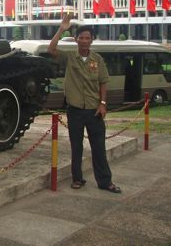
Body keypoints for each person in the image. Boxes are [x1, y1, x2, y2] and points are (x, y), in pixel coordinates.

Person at [47, 14, 121, 193]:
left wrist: (103, 104)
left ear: (92, 40)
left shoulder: (98, 60)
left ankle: (105, 181)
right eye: (81, 38)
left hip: (94, 111)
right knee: (76, 147)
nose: (85, 41)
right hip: (75, 111)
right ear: (76, 39)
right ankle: (77, 179)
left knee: (99, 148)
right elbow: (51, 50)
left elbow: (103, 82)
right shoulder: (70, 58)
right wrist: (61, 29)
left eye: (88, 38)